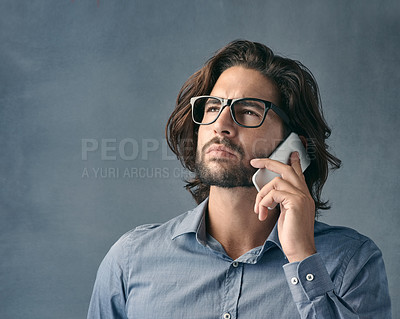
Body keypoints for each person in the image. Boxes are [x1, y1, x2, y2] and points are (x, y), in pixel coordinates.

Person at [87, 40, 391, 318]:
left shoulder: (352, 261)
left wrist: (302, 258)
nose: (221, 124)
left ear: (293, 145)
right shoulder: (130, 259)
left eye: (247, 111)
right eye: (212, 106)